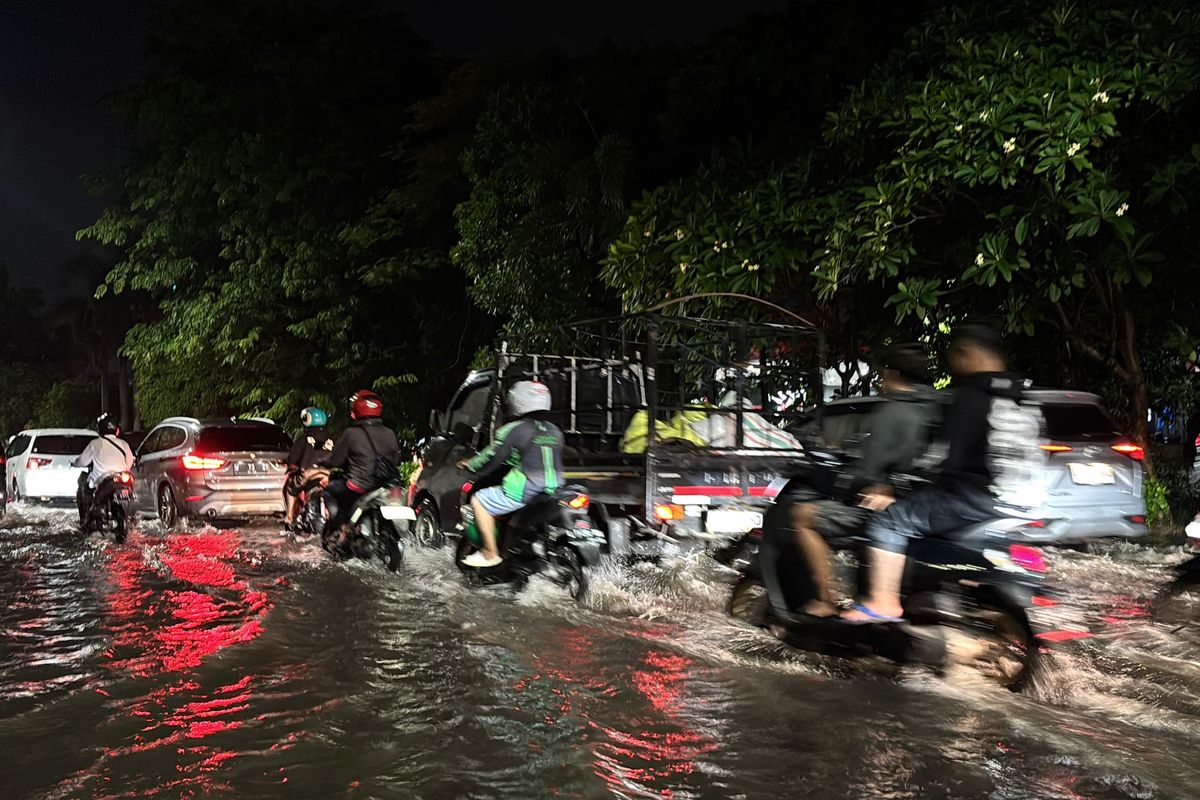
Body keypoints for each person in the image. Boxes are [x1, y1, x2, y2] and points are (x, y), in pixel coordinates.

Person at [845, 324, 1035, 622]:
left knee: (889, 521)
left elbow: (941, 460)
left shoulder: (971, 396)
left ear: (968, 353)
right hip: (1021, 502)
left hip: (973, 499)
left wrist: (898, 489)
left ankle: (882, 603)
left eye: (955, 355)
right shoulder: (1023, 394)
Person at [762, 343, 936, 618]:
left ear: (892, 373)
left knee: (803, 516)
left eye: (881, 373)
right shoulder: (936, 407)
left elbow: (869, 471)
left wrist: (843, 485)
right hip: (929, 505)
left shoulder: (893, 412)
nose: (879, 380)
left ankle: (826, 601)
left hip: (893, 509)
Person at [459, 380, 564, 568]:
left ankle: (490, 553)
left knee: (479, 500)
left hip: (525, 491)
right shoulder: (555, 431)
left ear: (517, 402)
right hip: (554, 490)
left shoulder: (514, 429)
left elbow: (492, 458)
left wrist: (471, 465)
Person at [322, 390, 401, 544]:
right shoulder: (389, 433)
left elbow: (335, 461)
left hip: (358, 486)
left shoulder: (351, 433)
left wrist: (323, 461)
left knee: (329, 490)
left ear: (356, 410)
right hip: (387, 485)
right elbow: (396, 459)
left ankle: (341, 528)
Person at [73, 413, 135, 522]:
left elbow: (83, 461)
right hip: (121, 478)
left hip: (101, 479)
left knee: (86, 487)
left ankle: (87, 518)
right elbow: (129, 462)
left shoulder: (95, 444)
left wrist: (75, 464)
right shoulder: (123, 444)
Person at [283, 406, 334, 528]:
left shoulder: (303, 439)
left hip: (311, 474)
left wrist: (289, 463)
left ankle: (289, 519)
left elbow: (293, 459)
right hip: (329, 474)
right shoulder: (331, 439)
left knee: (291, 486)